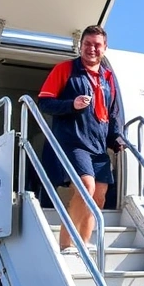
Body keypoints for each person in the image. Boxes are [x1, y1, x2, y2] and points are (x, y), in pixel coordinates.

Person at [37, 25, 124, 254]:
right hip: (73, 140)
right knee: (86, 186)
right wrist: (71, 105)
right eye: (87, 44)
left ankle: (83, 243)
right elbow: (44, 102)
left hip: (98, 144)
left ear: (105, 48)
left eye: (97, 45)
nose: (92, 49)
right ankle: (66, 243)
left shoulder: (108, 77)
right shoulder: (64, 69)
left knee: (99, 196)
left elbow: (113, 113)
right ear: (80, 45)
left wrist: (117, 138)